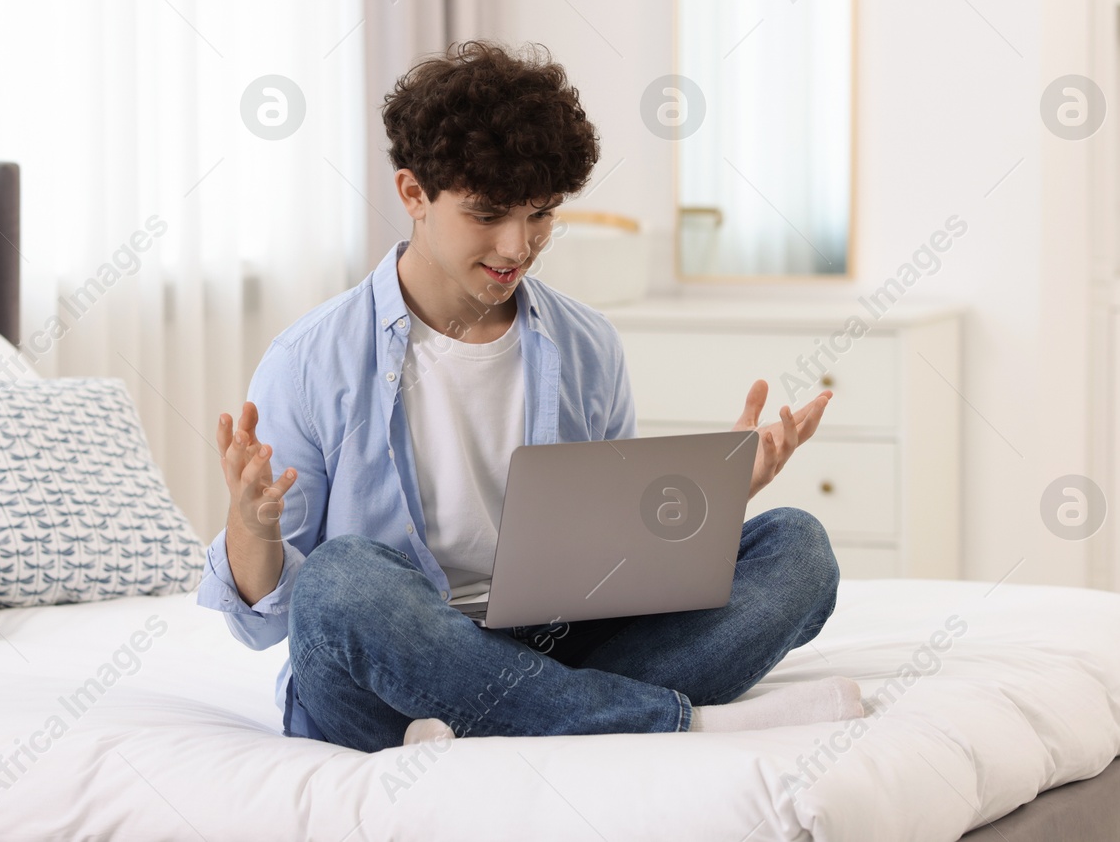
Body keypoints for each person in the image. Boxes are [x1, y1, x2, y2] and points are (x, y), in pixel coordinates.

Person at [197, 40, 860, 753]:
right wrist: (251, 526)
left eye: (540, 214)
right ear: (413, 194)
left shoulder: (588, 344)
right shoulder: (309, 359)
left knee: (798, 549)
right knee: (341, 583)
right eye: (487, 214)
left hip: (557, 646)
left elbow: (617, 566)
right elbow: (266, 623)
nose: (517, 245)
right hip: (393, 670)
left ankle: (511, 720)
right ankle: (668, 720)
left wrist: (715, 497)